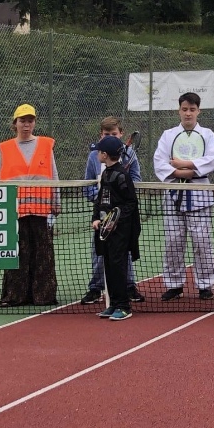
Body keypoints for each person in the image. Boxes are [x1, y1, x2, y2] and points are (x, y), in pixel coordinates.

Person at [154, 92, 214, 302]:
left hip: (200, 193)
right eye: (185, 109)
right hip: (174, 194)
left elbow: (211, 161)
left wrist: (184, 166)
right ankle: (174, 284)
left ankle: (205, 284)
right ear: (179, 110)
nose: (188, 113)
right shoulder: (168, 135)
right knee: (173, 241)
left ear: (198, 111)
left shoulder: (208, 135)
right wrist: (180, 173)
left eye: (192, 109)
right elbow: (160, 161)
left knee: (202, 241)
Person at [0, 104, 61, 308]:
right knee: (16, 254)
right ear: (15, 123)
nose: (26, 124)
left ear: (34, 123)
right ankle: (14, 296)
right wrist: (0, 207)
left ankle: (43, 296)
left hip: (42, 211)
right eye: (22, 120)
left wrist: (55, 202)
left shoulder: (45, 145)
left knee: (43, 253)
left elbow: (54, 175)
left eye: (30, 120)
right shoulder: (5, 148)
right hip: (15, 211)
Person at [81, 116, 143, 305]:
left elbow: (136, 180)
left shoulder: (129, 154)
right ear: (101, 135)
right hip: (102, 213)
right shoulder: (94, 156)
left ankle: (129, 285)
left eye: (114, 134)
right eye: (106, 134)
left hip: (122, 215)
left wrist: (117, 191)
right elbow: (88, 184)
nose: (110, 137)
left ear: (121, 134)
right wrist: (100, 197)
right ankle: (96, 287)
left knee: (124, 252)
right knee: (100, 251)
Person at [89, 135, 141, 321]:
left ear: (105, 154)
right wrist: (97, 218)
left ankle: (124, 306)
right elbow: (100, 199)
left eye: (98, 151)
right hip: (105, 230)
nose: (96, 154)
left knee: (118, 267)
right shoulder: (106, 174)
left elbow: (130, 204)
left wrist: (115, 217)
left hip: (120, 231)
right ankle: (114, 304)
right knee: (109, 265)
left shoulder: (122, 176)